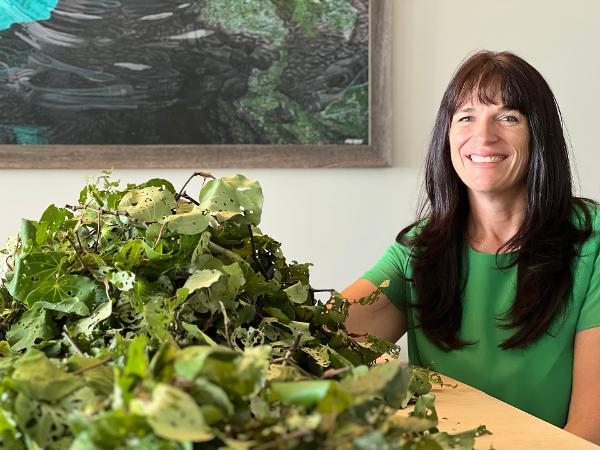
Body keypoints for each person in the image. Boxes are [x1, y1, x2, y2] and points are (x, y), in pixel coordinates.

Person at [342, 50, 600, 445]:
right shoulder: (419, 250)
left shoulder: (592, 239)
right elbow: (320, 333)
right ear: (447, 135)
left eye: (508, 117)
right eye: (466, 117)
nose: (483, 135)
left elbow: (588, 431)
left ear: (539, 134)